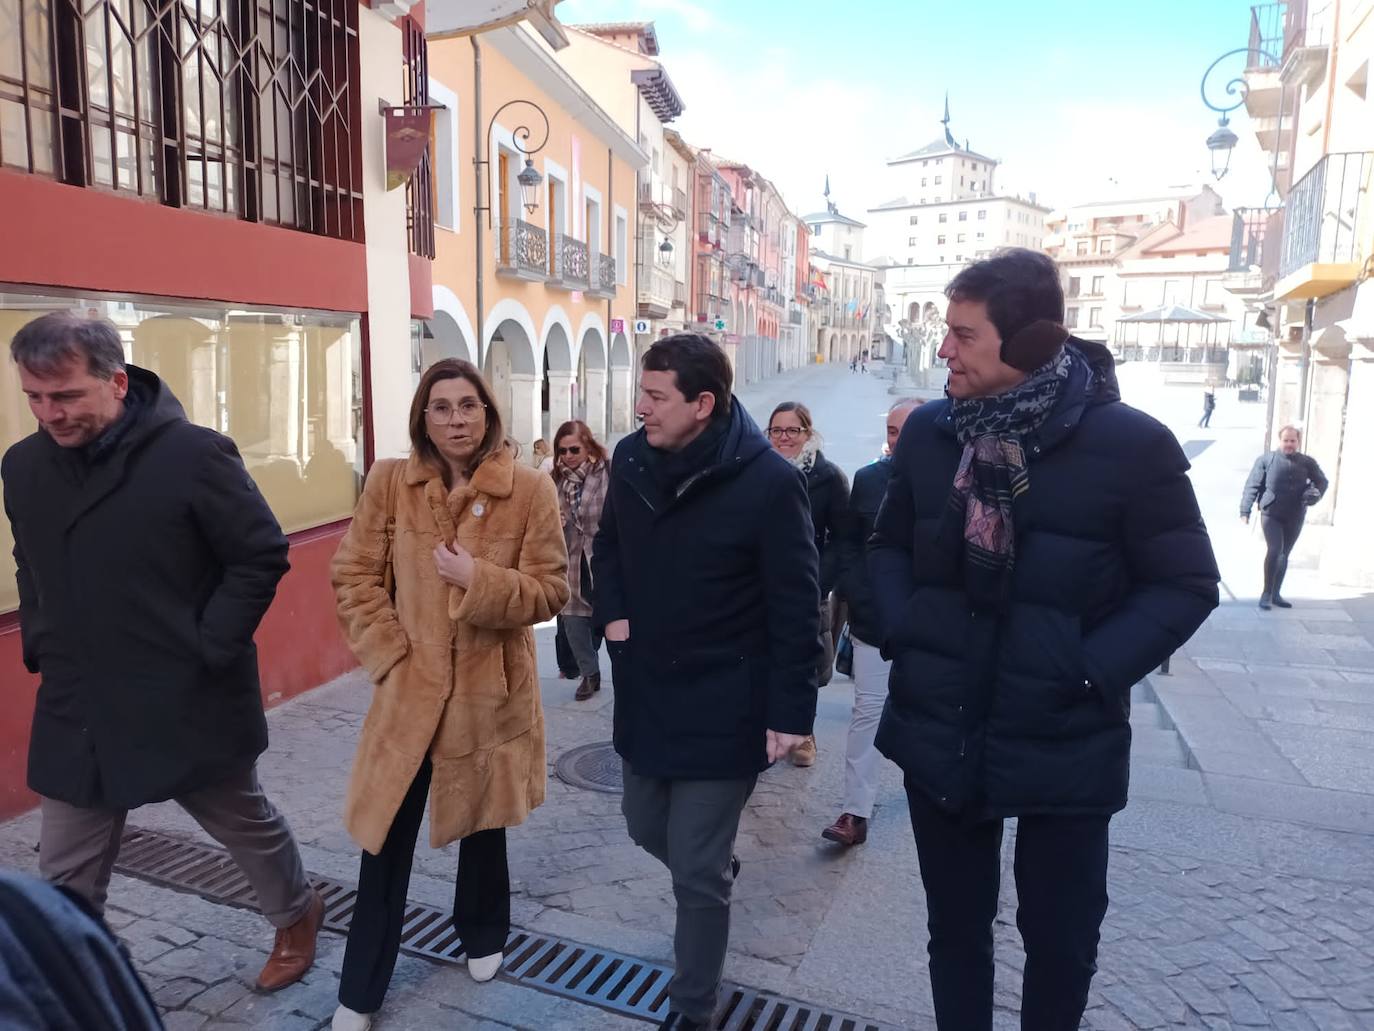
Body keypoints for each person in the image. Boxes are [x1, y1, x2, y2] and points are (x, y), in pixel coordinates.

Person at [869, 250, 1219, 1031]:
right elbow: (887, 544)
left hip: (1065, 731)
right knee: (953, 931)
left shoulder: (1132, 446)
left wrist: (1086, 669)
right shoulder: (929, 432)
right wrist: (905, 628)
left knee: (1060, 941)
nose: (942, 350)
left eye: (962, 334)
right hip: (943, 723)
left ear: (1027, 343)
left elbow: (1186, 583)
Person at [2, 312, 323, 993]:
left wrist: (208, 647)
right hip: (78, 702)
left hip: (185, 695)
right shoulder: (23, 465)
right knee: (63, 876)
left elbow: (258, 553)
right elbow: (27, 557)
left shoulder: (193, 454)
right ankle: (85, 981)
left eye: (65, 396)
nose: (47, 412)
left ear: (116, 382)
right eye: (33, 396)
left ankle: (296, 914)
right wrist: (40, 634)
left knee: (245, 824)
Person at [329, 359, 569, 1031]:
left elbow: (551, 590)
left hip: (490, 688)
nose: (457, 418)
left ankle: (484, 930)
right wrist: (389, 654)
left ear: (489, 413)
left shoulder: (529, 489)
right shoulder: (390, 482)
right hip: (409, 690)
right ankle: (360, 988)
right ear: (423, 416)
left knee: (483, 821)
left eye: (469, 405)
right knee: (384, 839)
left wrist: (478, 578)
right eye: (442, 406)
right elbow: (353, 574)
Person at [592, 334, 821, 1031]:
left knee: (693, 865)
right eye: (642, 391)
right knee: (642, 824)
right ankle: (714, 875)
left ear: (703, 403)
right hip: (648, 689)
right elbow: (608, 544)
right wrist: (615, 616)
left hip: (730, 700)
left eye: (655, 396)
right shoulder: (631, 457)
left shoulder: (771, 482)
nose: (640, 406)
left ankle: (692, 1007)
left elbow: (797, 603)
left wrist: (791, 710)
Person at [822, 397, 922, 847]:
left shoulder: (956, 478)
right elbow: (848, 545)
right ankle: (854, 812)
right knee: (867, 713)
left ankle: (930, 798)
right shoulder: (868, 480)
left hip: (930, 627)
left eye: (909, 430)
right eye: (895, 431)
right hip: (874, 623)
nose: (899, 440)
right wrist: (860, 599)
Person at [766, 401, 849, 767]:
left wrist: (820, 581)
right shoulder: (754, 472)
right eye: (777, 431)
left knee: (807, 662)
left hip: (807, 587)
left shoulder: (828, 477)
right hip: (761, 586)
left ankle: (804, 733)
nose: (784, 438)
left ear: (807, 434)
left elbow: (843, 538)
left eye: (792, 431)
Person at [552, 419, 611, 701]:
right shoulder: (554, 481)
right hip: (572, 560)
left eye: (573, 449)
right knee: (574, 624)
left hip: (601, 559)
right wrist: (556, 523)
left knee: (608, 622)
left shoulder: (607, 472)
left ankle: (626, 675)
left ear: (588, 446)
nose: (567, 456)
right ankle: (590, 674)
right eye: (561, 451)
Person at [1240, 425, 1328, 610]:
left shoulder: (1307, 462)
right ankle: (1266, 593)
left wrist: (1315, 495)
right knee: (1274, 550)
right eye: (1286, 440)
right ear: (1279, 441)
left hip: (1295, 514)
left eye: (1293, 441)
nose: (1289, 444)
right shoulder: (1267, 460)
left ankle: (1276, 593)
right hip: (1271, 513)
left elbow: (1322, 481)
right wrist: (1245, 510)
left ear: (1298, 442)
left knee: (1284, 554)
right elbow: (1253, 485)